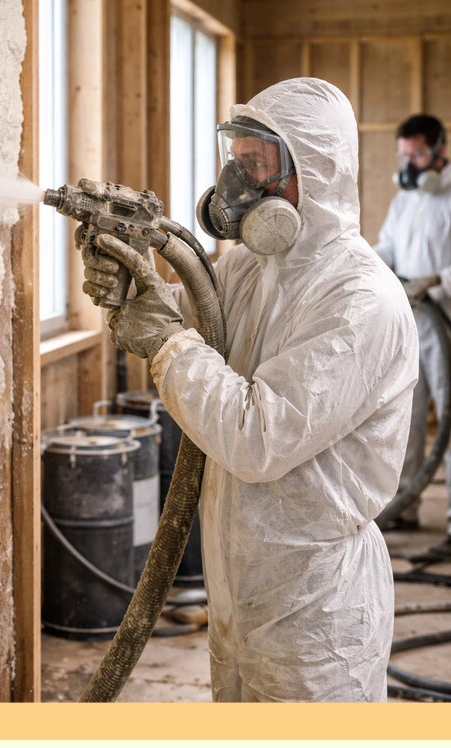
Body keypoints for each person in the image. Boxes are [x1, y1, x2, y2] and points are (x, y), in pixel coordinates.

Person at [82, 77, 419, 702]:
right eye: (234, 160)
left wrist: (166, 341)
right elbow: (194, 322)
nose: (235, 186)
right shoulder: (251, 266)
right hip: (240, 591)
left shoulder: (360, 300)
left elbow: (257, 437)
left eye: (257, 165)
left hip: (317, 615)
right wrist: (134, 288)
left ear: (314, 173)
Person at [373, 114, 451, 554]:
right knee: (407, 413)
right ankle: (404, 504)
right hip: (410, 320)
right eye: (405, 155)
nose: (410, 164)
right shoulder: (404, 199)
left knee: (450, 419)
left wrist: (438, 279)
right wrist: (368, 261)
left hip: (446, 320)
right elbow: (388, 246)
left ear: (440, 150)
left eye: (418, 154)